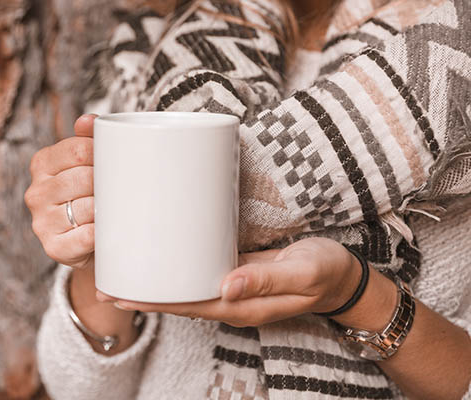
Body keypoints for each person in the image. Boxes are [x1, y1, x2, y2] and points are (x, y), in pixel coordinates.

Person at [24, 0, 471, 398]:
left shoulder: (455, 59)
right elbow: (78, 386)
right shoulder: (156, 50)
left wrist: (354, 294)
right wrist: (96, 247)